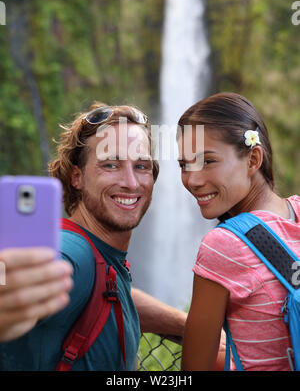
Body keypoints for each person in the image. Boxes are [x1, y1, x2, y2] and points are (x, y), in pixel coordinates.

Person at [0, 103, 188, 371]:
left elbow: (109, 293)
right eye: (111, 165)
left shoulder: (102, 261)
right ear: (77, 176)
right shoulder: (73, 252)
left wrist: (187, 325)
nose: (131, 182)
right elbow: (26, 274)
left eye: (142, 166)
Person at [178, 92, 300, 371]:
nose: (192, 180)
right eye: (184, 165)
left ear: (253, 159)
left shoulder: (224, 245)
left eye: (207, 161)